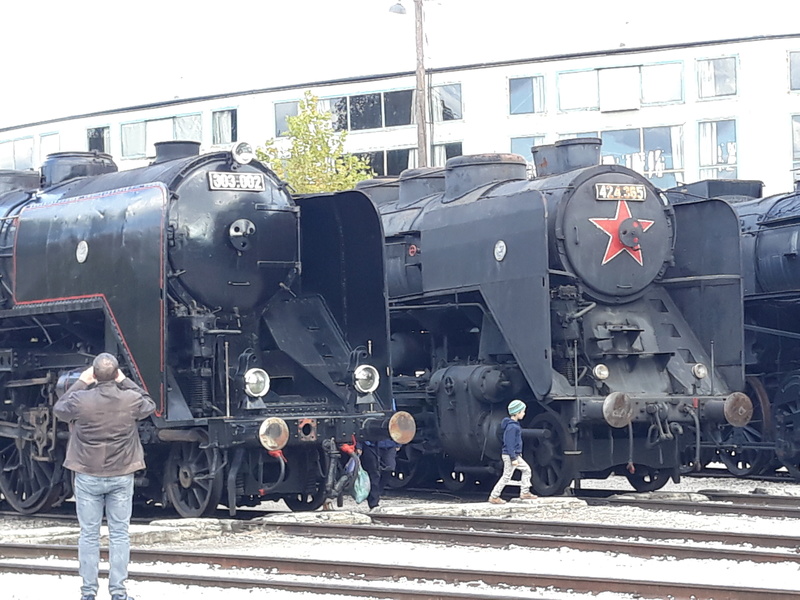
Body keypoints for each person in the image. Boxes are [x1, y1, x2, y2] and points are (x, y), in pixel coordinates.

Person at [54, 353, 156, 600]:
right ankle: (118, 593)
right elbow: (149, 403)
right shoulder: (130, 399)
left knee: (88, 534)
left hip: (88, 474)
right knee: (120, 534)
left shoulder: (80, 400)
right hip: (121, 474)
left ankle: (88, 593)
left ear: (94, 374)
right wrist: (124, 381)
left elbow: (59, 408)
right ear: (116, 373)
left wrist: (81, 381)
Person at [488, 399, 537, 504]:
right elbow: (509, 444)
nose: (524, 414)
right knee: (506, 476)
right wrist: (513, 458)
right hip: (511, 455)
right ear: (517, 413)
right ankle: (494, 496)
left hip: (514, 455)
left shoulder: (513, 426)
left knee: (526, 470)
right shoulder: (512, 427)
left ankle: (524, 492)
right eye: (523, 411)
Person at [360, 438, 400, 510]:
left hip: (390, 444)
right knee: (374, 474)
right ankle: (373, 502)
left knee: (390, 469)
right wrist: (359, 446)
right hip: (370, 444)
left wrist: (399, 442)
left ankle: (376, 492)